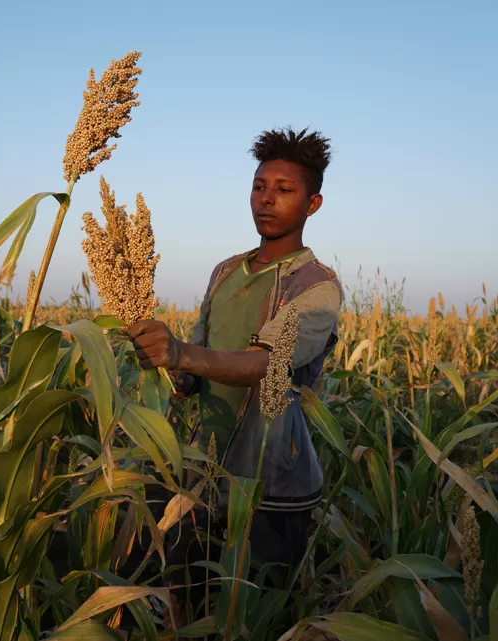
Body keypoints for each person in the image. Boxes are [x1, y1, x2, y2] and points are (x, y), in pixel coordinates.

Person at [126, 127, 343, 622]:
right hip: (201, 474)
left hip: (270, 486)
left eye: (284, 190)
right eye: (259, 186)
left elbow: (269, 364)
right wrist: (170, 369)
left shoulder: (317, 286)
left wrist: (180, 354)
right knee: (187, 606)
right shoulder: (225, 271)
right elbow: (196, 362)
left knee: (251, 618)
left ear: (313, 204)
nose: (266, 199)